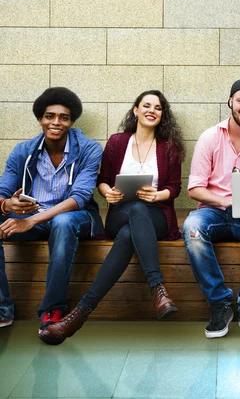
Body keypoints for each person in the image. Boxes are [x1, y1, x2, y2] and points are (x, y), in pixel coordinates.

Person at [39, 90, 184, 345]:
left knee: (133, 228)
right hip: (120, 212)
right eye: (146, 105)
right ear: (136, 110)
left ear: (162, 115)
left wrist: (157, 195)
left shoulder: (169, 146)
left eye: (158, 108)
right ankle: (158, 289)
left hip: (156, 216)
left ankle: (78, 316)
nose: (152, 110)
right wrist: (108, 193)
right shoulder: (118, 142)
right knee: (133, 213)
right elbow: (102, 180)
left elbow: (174, 188)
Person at [0, 87, 103, 333]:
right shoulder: (23, 151)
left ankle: (53, 308)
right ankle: (3, 309)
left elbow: (79, 197)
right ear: (40, 119)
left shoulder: (89, 149)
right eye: (49, 116)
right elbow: (3, 189)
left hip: (78, 218)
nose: (56, 122)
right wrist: (7, 205)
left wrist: (32, 221)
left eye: (63, 117)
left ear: (71, 121)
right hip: (33, 217)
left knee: (63, 222)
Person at [182, 79, 240, 339]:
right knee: (191, 227)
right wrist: (225, 201)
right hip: (213, 211)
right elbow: (194, 190)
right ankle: (220, 304)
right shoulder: (210, 137)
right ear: (230, 102)